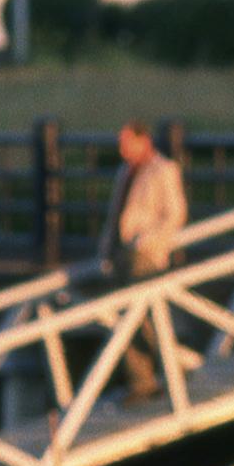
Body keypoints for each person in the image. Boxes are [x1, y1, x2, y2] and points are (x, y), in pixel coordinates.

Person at [99, 123, 188, 403]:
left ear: (144, 140)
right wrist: (105, 251)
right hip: (122, 254)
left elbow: (175, 213)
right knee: (126, 319)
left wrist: (148, 242)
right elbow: (116, 215)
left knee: (146, 320)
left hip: (145, 254)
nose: (122, 149)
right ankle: (141, 382)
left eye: (127, 142)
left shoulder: (163, 169)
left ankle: (175, 365)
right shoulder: (125, 172)